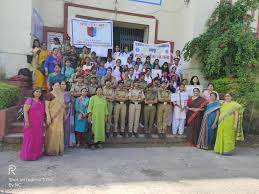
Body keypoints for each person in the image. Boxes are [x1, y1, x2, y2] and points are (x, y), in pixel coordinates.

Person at [20, 89, 45, 161]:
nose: (38, 93)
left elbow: (42, 113)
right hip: (30, 122)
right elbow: (25, 111)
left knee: (37, 138)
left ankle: (36, 154)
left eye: (40, 92)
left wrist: (43, 122)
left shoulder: (41, 102)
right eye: (36, 91)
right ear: (33, 92)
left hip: (39, 123)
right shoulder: (29, 100)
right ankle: (28, 155)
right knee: (29, 138)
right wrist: (27, 121)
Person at [45, 82, 65, 155]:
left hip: (60, 117)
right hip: (52, 116)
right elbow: (46, 107)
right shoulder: (49, 95)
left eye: (58, 86)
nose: (57, 87)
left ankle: (58, 149)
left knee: (59, 132)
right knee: (52, 132)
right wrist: (48, 117)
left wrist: (64, 114)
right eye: (55, 85)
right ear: (52, 86)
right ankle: (50, 150)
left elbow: (62, 106)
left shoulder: (61, 95)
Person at [60, 81, 75, 148]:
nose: (63, 85)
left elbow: (72, 101)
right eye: (62, 84)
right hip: (59, 112)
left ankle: (67, 143)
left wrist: (70, 105)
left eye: (65, 84)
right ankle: (59, 143)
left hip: (68, 112)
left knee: (67, 128)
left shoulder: (69, 93)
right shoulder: (57, 93)